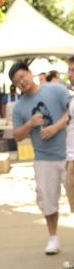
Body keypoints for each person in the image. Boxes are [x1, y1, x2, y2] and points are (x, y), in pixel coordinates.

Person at [10, 62, 69, 255]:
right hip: (43, 159)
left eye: (22, 76)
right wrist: (30, 123)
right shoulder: (20, 107)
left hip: (69, 154)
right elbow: (17, 135)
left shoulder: (55, 90)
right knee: (48, 200)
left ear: (30, 73)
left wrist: (56, 126)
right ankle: (53, 238)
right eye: (17, 81)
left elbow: (71, 110)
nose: (22, 82)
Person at [66, 56, 74, 213]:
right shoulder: (71, 98)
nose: (70, 74)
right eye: (69, 70)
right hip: (70, 157)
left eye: (73, 70)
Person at [1, 84, 20, 151]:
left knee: (18, 135)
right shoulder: (5, 97)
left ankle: (18, 150)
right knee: (9, 136)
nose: (12, 91)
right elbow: (3, 108)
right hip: (8, 120)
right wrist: (4, 118)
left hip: (17, 119)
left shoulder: (19, 96)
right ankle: (11, 150)